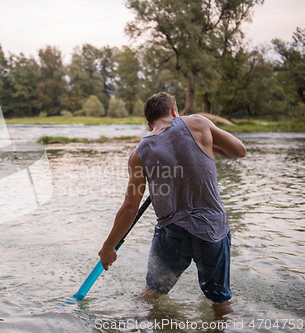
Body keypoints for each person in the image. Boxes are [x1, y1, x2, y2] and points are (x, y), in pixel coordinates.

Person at [98, 92, 246, 309]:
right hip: (212, 231)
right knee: (220, 301)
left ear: (149, 125)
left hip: (173, 234)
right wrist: (208, 144)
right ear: (174, 111)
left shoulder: (138, 154)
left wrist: (108, 246)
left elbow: (130, 207)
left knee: (151, 297)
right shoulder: (198, 123)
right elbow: (239, 151)